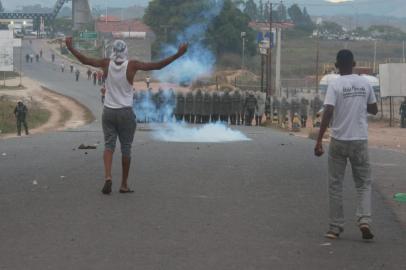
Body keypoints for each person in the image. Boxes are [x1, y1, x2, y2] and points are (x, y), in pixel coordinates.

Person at [65, 37, 187, 194]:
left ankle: (108, 177)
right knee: (126, 148)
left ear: (112, 51)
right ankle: (123, 184)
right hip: (125, 112)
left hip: (108, 111)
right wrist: (178, 54)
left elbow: (85, 60)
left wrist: (70, 48)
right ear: (125, 51)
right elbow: (157, 65)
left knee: (109, 146)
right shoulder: (132, 65)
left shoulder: (105, 63)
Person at [314, 50, 378, 241]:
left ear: (336, 66)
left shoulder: (335, 85)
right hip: (359, 140)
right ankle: (364, 220)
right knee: (364, 183)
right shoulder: (365, 83)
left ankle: (335, 227)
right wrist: (359, 102)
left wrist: (319, 140)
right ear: (354, 63)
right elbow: (374, 110)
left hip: (339, 141)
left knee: (335, 184)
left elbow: (328, 111)